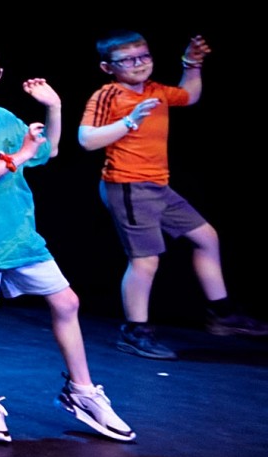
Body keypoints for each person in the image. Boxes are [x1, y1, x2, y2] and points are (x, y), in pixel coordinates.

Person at [0, 37, 135, 442]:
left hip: (18, 233)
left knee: (66, 301)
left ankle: (82, 392)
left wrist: (53, 107)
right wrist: (19, 155)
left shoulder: (4, 117)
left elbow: (48, 151)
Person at [79, 31, 264, 359]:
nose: (139, 64)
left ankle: (222, 315)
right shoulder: (108, 94)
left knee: (206, 238)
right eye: (128, 60)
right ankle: (135, 331)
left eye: (144, 56)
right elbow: (87, 139)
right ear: (108, 67)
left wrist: (192, 63)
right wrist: (130, 121)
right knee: (145, 260)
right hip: (128, 186)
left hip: (158, 186)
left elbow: (189, 96)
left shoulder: (156, 90)